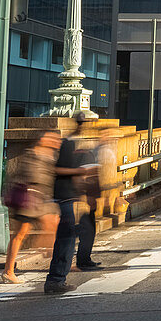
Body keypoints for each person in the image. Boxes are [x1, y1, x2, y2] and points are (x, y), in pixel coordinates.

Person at [44, 116, 96, 294]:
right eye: (84, 124)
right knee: (66, 239)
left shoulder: (76, 145)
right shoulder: (67, 144)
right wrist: (80, 171)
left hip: (70, 198)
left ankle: (58, 278)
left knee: (70, 237)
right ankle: (56, 280)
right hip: (65, 198)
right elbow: (57, 170)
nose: (85, 128)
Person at [2, 131, 60, 283]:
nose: (55, 142)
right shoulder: (32, 154)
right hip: (29, 201)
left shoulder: (48, 155)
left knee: (53, 225)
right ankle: (8, 271)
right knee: (20, 234)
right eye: (51, 139)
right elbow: (32, 176)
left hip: (38, 200)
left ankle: (53, 255)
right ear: (42, 140)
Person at [71, 111, 103, 273]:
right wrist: (84, 195)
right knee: (83, 229)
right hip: (83, 195)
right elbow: (81, 172)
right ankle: (80, 259)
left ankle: (85, 258)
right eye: (82, 123)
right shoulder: (74, 142)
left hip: (89, 194)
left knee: (88, 229)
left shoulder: (87, 142)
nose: (84, 126)